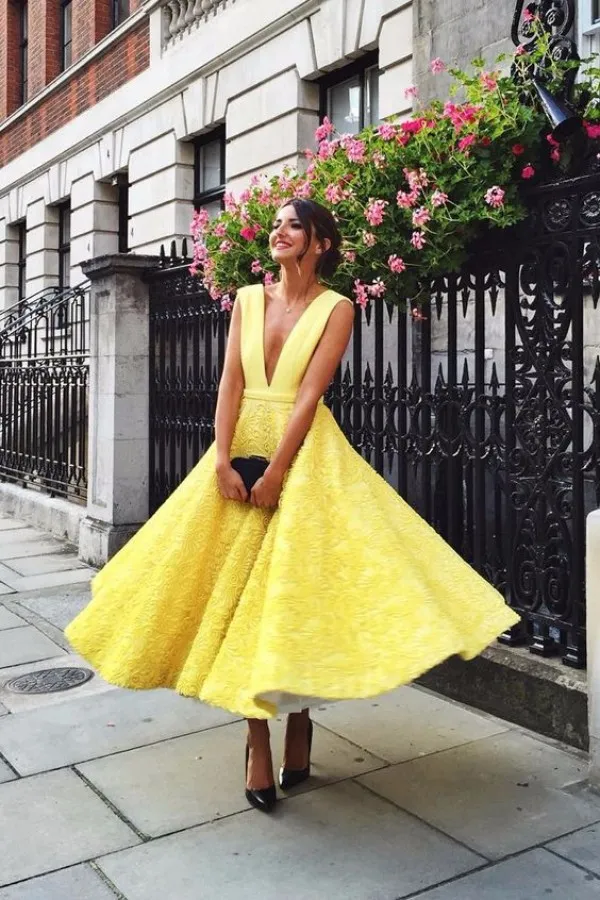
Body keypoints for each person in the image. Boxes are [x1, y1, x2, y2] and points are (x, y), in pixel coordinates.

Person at [65, 198, 520, 814]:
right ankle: (257, 739)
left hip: (301, 455)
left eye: (293, 225)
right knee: (232, 601)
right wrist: (221, 458)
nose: (278, 232)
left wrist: (279, 469)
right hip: (237, 445)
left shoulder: (338, 308)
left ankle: (299, 719)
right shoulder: (249, 300)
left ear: (320, 243)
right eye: (276, 224)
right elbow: (229, 381)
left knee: (291, 591)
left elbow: (309, 394)